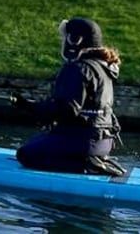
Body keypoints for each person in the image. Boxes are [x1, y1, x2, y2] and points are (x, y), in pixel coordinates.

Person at [13, 17, 125, 176]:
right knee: (36, 142)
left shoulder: (77, 68)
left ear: (74, 41)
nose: (62, 41)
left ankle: (87, 164)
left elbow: (67, 109)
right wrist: (34, 106)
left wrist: (30, 107)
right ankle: (94, 159)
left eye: (65, 37)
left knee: (25, 154)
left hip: (84, 142)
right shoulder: (102, 66)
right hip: (103, 142)